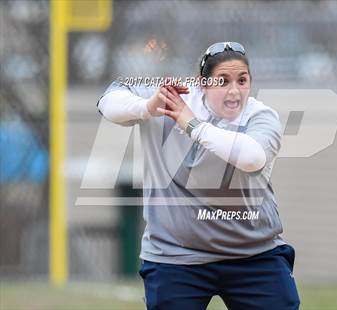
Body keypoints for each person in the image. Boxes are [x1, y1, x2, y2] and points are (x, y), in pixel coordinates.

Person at [97, 42, 300, 310]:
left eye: (242, 80)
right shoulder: (172, 99)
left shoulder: (260, 116)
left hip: (253, 253)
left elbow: (252, 158)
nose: (234, 90)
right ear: (202, 84)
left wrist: (191, 124)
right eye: (222, 80)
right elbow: (108, 102)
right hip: (176, 256)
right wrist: (148, 107)